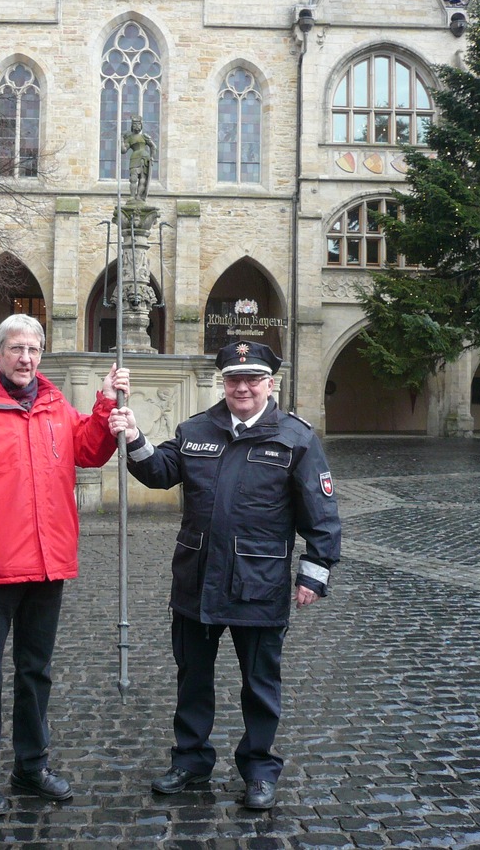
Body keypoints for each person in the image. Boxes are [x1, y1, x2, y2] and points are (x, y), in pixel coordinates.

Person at [108, 340, 341, 811]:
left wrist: (314, 574)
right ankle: (190, 760)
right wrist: (133, 436)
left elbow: (321, 511)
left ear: (269, 384)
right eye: (234, 379)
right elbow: (159, 472)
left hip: (259, 582)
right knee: (192, 678)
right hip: (196, 579)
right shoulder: (196, 429)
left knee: (260, 683)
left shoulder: (296, 438)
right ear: (223, 383)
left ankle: (258, 768)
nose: (242, 387)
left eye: (252, 379)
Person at [0, 313, 130, 816]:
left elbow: (89, 450)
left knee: (36, 671)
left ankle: (31, 766)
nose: (26, 358)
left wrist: (105, 405)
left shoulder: (57, 406)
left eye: (33, 350)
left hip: (48, 562)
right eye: (16, 349)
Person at [121, 114, 156, 202]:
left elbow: (153, 147)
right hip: (134, 158)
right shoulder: (130, 138)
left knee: (143, 179)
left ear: (141, 125)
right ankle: (132, 196)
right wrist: (122, 139)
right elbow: (123, 150)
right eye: (135, 124)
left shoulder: (144, 136)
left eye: (139, 124)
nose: (137, 126)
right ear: (132, 126)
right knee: (133, 178)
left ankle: (139, 196)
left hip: (144, 158)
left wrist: (152, 157)